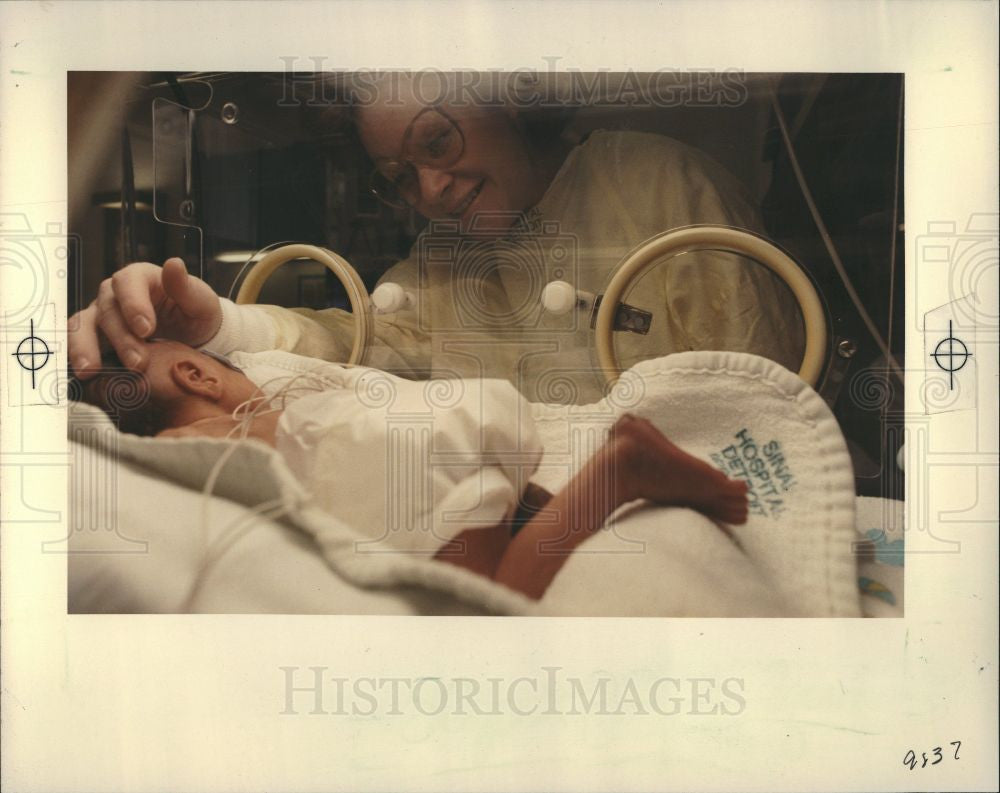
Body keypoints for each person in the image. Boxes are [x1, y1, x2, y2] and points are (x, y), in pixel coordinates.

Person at [70, 72, 805, 404]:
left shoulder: (658, 185)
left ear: (512, 101)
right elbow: (360, 341)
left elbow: (768, 396)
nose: (428, 189)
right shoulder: (445, 257)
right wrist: (220, 322)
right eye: (397, 172)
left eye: (438, 143)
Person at [78, 340, 749, 600]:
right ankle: (548, 491)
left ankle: (620, 470)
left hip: (387, 461)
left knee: (481, 601)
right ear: (197, 372)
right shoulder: (278, 405)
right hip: (430, 426)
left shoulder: (189, 437)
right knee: (490, 509)